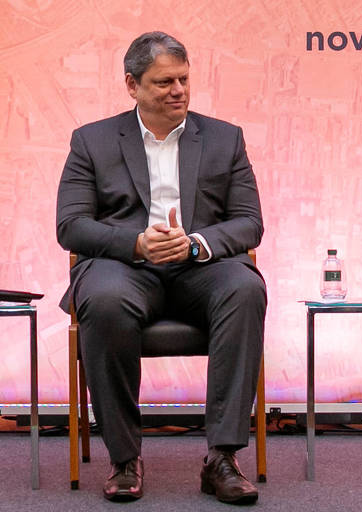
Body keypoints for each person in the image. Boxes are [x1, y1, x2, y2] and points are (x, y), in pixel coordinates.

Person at [56, 31, 266, 504]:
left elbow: (249, 223)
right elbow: (70, 226)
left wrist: (195, 245)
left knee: (245, 287)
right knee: (104, 299)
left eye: (184, 79)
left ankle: (222, 458)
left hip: (200, 267)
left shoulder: (224, 138)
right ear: (132, 85)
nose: (178, 90)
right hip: (125, 267)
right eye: (163, 81)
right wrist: (137, 243)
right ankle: (125, 458)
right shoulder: (91, 141)